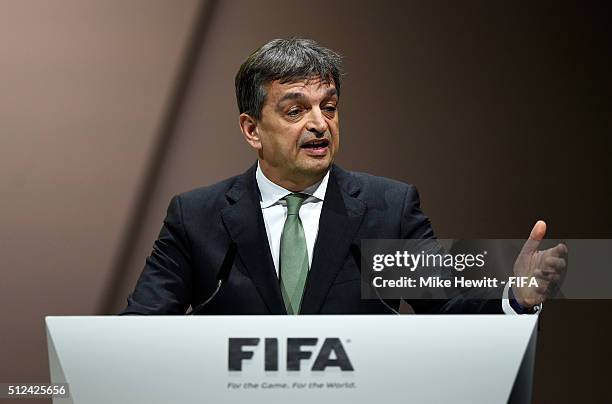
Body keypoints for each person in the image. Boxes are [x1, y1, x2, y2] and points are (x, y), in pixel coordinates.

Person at [122, 38, 566, 315]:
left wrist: (515, 296)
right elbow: (140, 327)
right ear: (252, 129)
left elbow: (447, 304)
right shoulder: (196, 216)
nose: (319, 124)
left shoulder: (386, 209)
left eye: (329, 107)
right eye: (296, 110)